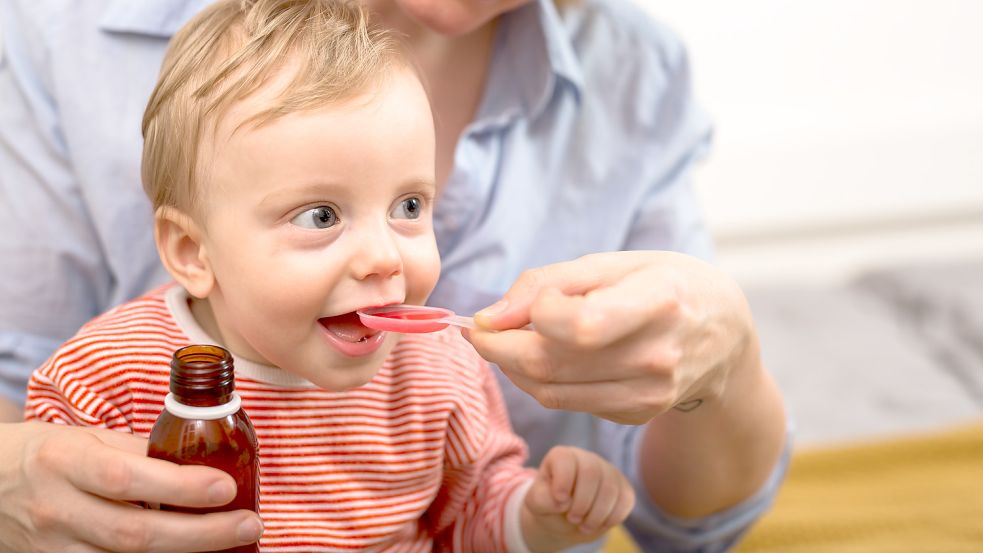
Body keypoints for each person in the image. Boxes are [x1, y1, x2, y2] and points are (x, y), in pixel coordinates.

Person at [0, 0, 789, 551]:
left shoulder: (440, 371)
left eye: (410, 205)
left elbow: (476, 511)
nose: (386, 256)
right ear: (190, 251)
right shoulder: (110, 372)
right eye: (320, 217)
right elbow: (48, 504)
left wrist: (542, 515)